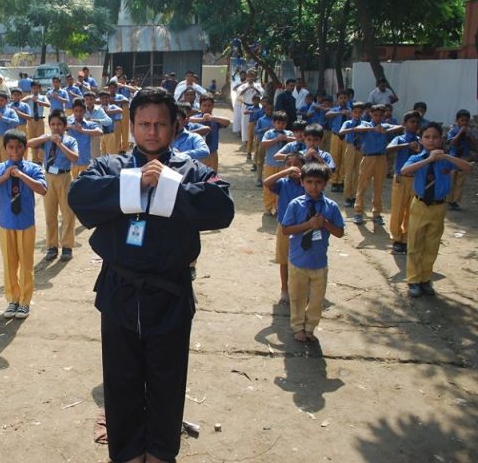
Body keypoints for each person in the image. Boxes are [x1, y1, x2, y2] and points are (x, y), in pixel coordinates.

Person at [68, 87, 234, 463]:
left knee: (167, 381)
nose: (152, 131)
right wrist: (137, 181)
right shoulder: (111, 167)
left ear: (175, 127)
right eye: (144, 123)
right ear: (131, 126)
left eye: (161, 123)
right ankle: (126, 454)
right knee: (121, 380)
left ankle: (160, 453)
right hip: (119, 292)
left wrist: (169, 186)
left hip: (171, 295)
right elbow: (80, 197)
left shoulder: (192, 170)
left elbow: (222, 208)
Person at [0, 129, 47, 319]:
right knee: (9, 264)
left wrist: (22, 176)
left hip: (25, 224)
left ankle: (25, 301)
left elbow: (42, 189)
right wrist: (4, 177)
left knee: (26, 264)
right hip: (6, 224)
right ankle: (12, 299)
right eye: (11, 147)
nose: (15, 151)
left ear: (24, 149)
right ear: (6, 149)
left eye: (19, 147)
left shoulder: (32, 168)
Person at [401, 122, 472, 297]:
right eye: (427, 137)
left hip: (439, 207)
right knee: (415, 244)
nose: (431, 140)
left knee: (432, 245)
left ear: (441, 139)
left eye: (435, 137)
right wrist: (428, 159)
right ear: (421, 139)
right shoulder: (418, 158)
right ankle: (413, 280)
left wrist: (447, 157)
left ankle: (426, 279)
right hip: (420, 205)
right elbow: (404, 170)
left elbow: (468, 168)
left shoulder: (446, 159)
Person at [281, 162, 345, 342]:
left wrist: (325, 224)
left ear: (325, 184)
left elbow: (340, 232)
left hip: (319, 262)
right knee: (297, 297)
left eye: (318, 182)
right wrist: (308, 225)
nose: (313, 186)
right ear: (302, 182)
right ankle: (297, 326)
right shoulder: (295, 204)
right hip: (298, 261)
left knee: (317, 300)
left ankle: (310, 327)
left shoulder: (330, 206)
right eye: (309, 182)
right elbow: (286, 229)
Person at [27, 110, 79, 261]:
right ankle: (52, 246)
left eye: (59, 125)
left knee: (67, 212)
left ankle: (67, 246)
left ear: (64, 126)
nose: (56, 127)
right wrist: (47, 138)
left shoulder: (70, 141)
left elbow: (75, 158)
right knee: (50, 213)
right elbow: (29, 144)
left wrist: (60, 144)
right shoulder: (46, 139)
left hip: (64, 177)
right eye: (53, 124)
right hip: (48, 177)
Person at [264, 153, 306, 305]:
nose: (293, 167)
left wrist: (303, 177)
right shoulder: (283, 183)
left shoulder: (307, 183)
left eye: (297, 164)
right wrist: (286, 172)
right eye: (288, 164)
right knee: (284, 261)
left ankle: (300, 290)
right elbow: (267, 182)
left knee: (302, 260)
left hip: (303, 228)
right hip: (284, 227)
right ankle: (284, 290)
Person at [352, 104, 404, 225]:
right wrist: (373, 129)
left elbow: (400, 127)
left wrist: (385, 129)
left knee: (378, 187)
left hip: (381, 158)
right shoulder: (366, 125)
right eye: (375, 115)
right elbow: (357, 129)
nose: (377, 117)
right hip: (368, 158)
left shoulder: (385, 125)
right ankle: (358, 212)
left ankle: (377, 213)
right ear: (370, 114)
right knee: (362, 185)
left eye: (380, 115)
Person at [386, 110, 422, 254]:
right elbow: (389, 149)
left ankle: (407, 237)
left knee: (411, 210)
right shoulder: (400, 139)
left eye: (417, 122)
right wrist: (408, 146)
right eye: (411, 122)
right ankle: (396, 238)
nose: (414, 124)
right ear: (405, 124)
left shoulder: (421, 140)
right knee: (398, 210)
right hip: (401, 178)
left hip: (415, 179)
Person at [259, 111, 293, 215]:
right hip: (271, 164)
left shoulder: (289, 133)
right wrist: (277, 139)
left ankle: (279, 207)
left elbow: (297, 141)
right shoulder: (269, 133)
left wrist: (286, 138)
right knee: (268, 186)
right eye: (278, 123)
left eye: (283, 123)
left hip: (284, 166)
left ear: (286, 124)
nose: (280, 125)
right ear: (274, 123)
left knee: (283, 187)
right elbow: (263, 144)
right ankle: (268, 207)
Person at [190, 94, 230, 170]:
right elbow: (188, 120)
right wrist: (202, 119)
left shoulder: (215, 120)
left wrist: (212, 118)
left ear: (213, 106)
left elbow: (227, 122)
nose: (207, 108)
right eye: (204, 105)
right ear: (200, 106)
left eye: (209, 106)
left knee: (212, 177)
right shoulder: (196, 119)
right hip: (197, 154)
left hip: (212, 153)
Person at [446, 109, 475, 210]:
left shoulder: (469, 132)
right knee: (451, 179)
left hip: (464, 157)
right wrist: (460, 132)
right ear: (457, 120)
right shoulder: (453, 131)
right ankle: (448, 200)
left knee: (460, 180)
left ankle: (455, 201)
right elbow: (452, 143)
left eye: (466, 121)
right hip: (453, 157)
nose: (464, 123)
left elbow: (475, 144)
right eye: (462, 120)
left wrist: (469, 135)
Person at [66, 98, 103, 178]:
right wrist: (73, 127)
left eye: (81, 111)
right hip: (71, 162)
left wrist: (83, 130)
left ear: (85, 111)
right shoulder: (68, 122)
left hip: (86, 162)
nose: (78, 113)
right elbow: (60, 127)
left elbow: (100, 132)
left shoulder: (90, 124)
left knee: (85, 185)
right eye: (76, 111)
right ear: (73, 111)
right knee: (72, 186)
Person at [338, 102, 365, 208]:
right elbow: (341, 132)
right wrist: (354, 129)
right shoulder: (348, 123)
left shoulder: (365, 124)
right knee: (349, 172)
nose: (357, 114)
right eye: (355, 112)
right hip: (350, 147)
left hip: (361, 148)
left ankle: (355, 196)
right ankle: (348, 196)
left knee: (359, 173)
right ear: (352, 112)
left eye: (359, 112)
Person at [0, 91, 20, 166]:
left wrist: (3, 118)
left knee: (6, 161)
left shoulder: (10, 111)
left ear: (6, 101)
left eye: (2, 100)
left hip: (5, 138)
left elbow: (16, 122)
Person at [326, 91, 350, 191]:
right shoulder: (335, 110)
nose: (343, 99)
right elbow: (328, 114)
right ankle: (334, 181)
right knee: (335, 158)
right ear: (338, 99)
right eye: (341, 98)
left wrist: (348, 114)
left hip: (347, 137)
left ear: (348, 99)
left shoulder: (351, 110)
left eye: (345, 97)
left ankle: (341, 181)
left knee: (345, 159)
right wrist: (340, 112)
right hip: (336, 135)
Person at [23, 81, 51, 163]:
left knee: (41, 139)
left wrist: (38, 101)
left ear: (39, 88)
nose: (35, 90)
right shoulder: (29, 97)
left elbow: (48, 104)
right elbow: (21, 101)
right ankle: (34, 159)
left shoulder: (42, 97)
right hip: (31, 120)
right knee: (32, 139)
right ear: (31, 89)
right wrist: (29, 98)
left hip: (39, 120)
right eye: (33, 88)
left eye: (36, 88)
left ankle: (41, 160)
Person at [83, 91, 112, 160]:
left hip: (96, 137)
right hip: (84, 136)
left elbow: (109, 121)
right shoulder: (82, 109)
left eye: (91, 99)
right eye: (87, 99)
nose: (89, 101)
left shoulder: (99, 109)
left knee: (96, 158)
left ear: (95, 100)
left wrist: (97, 120)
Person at [99, 90, 124, 155]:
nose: (104, 99)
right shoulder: (98, 108)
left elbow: (120, 110)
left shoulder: (112, 106)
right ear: (100, 99)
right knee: (101, 155)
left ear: (109, 98)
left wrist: (107, 111)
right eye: (102, 98)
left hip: (110, 134)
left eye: (106, 97)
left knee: (110, 155)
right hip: (100, 135)